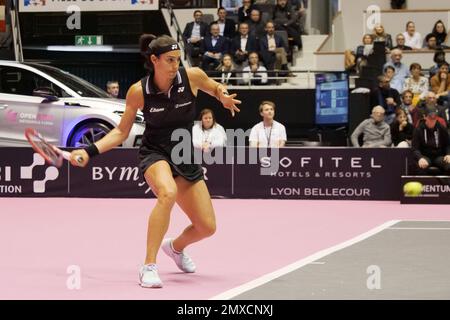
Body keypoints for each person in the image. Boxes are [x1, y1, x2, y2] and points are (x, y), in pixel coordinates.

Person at [69, 34, 241, 288]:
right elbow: (121, 132)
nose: (175, 65)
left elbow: (214, 87)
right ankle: (148, 265)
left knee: (207, 227)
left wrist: (223, 95)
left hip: (184, 155)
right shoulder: (139, 91)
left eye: (177, 60)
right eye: (170, 60)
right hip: (154, 153)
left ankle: (174, 248)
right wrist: (90, 150)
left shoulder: (190, 76)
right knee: (167, 193)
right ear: (154, 60)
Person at [412, 107, 450, 175]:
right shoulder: (418, 130)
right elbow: (415, 148)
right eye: (430, 117)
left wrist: (448, 154)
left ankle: (446, 185)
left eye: (434, 117)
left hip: (439, 156)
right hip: (425, 155)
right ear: (425, 117)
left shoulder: (442, 128)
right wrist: (420, 158)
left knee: (449, 164)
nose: (433, 119)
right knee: (419, 166)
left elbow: (447, 144)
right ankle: (423, 185)